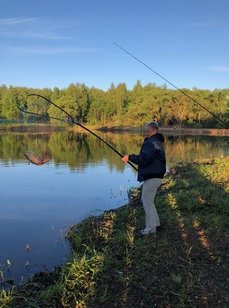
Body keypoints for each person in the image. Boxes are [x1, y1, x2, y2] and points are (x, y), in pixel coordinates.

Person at [122, 121, 166, 235]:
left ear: (154, 131)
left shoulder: (152, 143)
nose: (145, 133)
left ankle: (150, 229)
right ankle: (156, 224)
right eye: (144, 131)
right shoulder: (156, 142)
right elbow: (148, 160)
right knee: (149, 201)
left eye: (147, 131)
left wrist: (130, 157)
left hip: (153, 177)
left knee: (146, 201)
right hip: (155, 176)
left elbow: (144, 159)